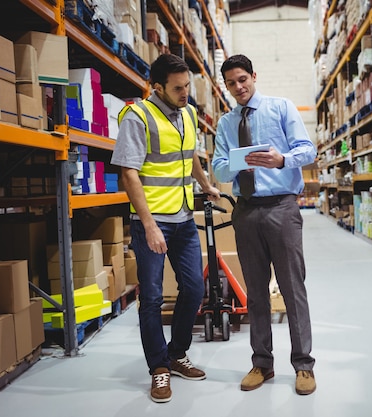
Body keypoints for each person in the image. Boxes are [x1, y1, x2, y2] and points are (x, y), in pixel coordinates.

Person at [111, 53, 220, 403]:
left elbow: (190, 155)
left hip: (184, 217)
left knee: (194, 287)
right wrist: (148, 225)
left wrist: (205, 185)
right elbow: (129, 172)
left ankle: (176, 353)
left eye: (187, 85)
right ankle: (158, 367)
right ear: (157, 87)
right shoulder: (138, 116)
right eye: (177, 88)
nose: (185, 92)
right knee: (153, 297)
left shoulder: (188, 113)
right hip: (152, 222)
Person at [211, 54, 317, 395]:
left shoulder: (281, 108)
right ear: (226, 86)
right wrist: (235, 166)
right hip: (246, 210)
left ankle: (303, 366)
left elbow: (308, 150)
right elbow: (218, 167)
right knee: (256, 293)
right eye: (231, 83)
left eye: (243, 79)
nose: (239, 87)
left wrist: (281, 159)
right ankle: (262, 364)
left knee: (292, 289)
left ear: (254, 76)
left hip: (281, 208)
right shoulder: (226, 124)